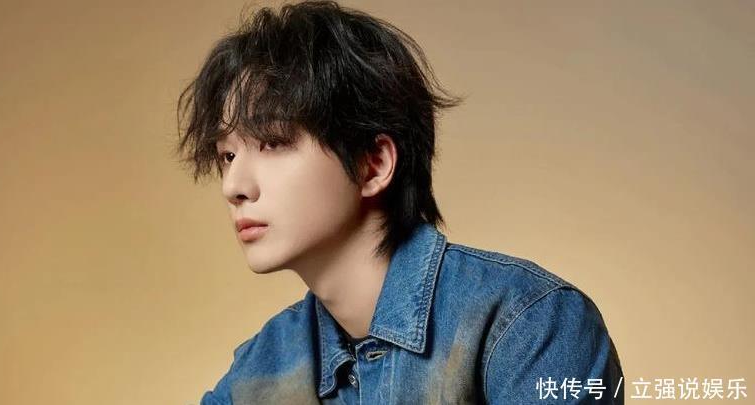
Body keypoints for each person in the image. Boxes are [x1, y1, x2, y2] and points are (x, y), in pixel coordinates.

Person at [175, 1, 624, 403]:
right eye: (227, 156)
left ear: (373, 164)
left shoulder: (527, 324)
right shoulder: (258, 372)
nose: (233, 186)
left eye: (273, 142)